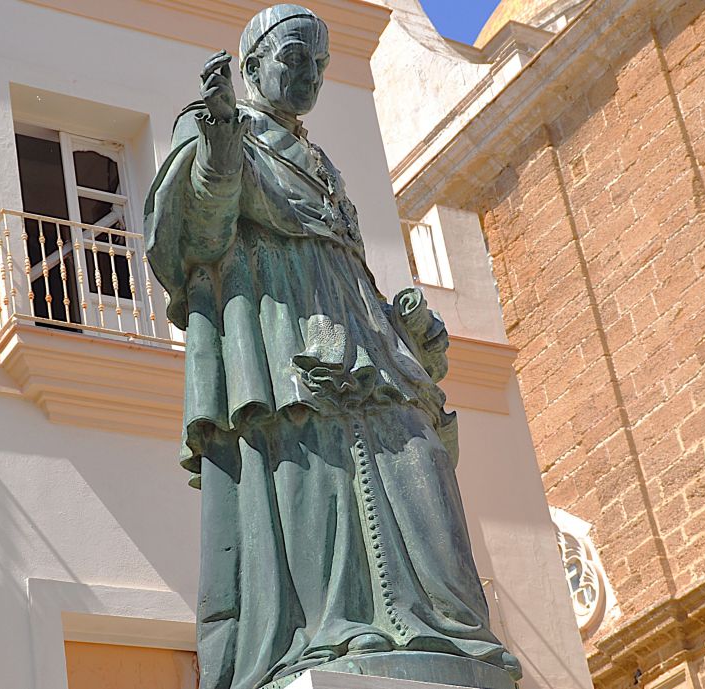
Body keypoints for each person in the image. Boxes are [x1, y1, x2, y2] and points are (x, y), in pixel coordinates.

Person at [144, 5, 522, 688]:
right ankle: (331, 629)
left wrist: (407, 331)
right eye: (295, 58)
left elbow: (347, 263)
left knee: (419, 452)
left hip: (362, 340)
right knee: (312, 474)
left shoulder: (319, 160)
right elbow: (194, 238)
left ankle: (444, 628)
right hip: (283, 342)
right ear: (254, 62)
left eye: (320, 64)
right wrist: (221, 144)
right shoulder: (214, 127)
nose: (310, 75)